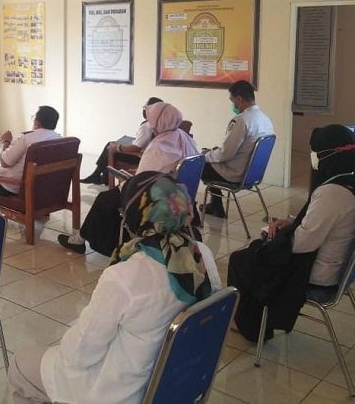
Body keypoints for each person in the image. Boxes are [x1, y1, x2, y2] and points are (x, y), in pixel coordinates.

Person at [8, 173, 220, 404]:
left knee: (21, 364)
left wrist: (68, 339)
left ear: (135, 217)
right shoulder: (202, 256)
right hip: (171, 385)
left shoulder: (124, 277)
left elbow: (79, 355)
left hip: (118, 392)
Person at [228, 124, 355, 342]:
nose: (313, 157)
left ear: (327, 154)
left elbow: (302, 244)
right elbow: (322, 220)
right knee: (257, 252)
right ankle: (255, 321)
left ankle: (251, 326)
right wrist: (291, 222)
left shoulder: (331, 193)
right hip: (335, 266)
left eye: (316, 151)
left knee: (243, 260)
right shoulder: (347, 181)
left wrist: (278, 236)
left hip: (317, 275)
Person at [58, 102, 199, 255]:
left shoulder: (159, 147)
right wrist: (138, 173)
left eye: (152, 120)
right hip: (179, 197)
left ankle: (81, 240)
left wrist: (130, 177)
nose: (151, 125)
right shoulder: (184, 138)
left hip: (154, 199)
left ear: (159, 122)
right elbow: (159, 170)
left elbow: (143, 180)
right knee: (110, 197)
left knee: (104, 199)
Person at [200, 80, 274, 218]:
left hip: (235, 173)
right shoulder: (265, 120)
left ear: (239, 99)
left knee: (200, 164)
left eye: (232, 100)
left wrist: (205, 155)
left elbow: (225, 154)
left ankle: (216, 205)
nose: (232, 104)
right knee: (212, 156)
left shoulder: (241, 121)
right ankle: (215, 204)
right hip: (252, 173)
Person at [0, 105, 61, 195]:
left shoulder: (27, 139)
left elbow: (4, 162)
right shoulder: (60, 140)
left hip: (12, 186)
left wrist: (6, 141)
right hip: (41, 187)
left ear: (38, 122)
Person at [80, 97, 163, 185]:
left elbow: (136, 148)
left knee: (110, 147)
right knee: (111, 145)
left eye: (145, 107)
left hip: (138, 158)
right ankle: (101, 177)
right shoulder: (161, 124)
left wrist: (118, 147)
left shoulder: (146, 126)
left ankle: (98, 176)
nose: (144, 110)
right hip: (149, 156)